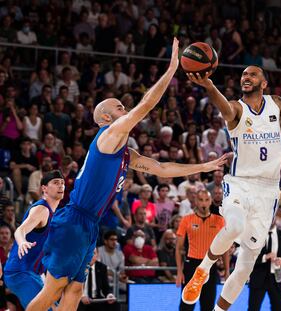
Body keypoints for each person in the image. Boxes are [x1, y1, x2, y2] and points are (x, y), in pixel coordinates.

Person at [26, 38, 227, 311]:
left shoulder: (125, 152)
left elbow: (162, 168)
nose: (125, 110)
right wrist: (170, 71)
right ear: (106, 119)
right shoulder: (108, 136)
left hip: (89, 225)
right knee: (53, 290)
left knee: (73, 290)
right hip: (74, 220)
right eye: (119, 107)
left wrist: (203, 167)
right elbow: (144, 106)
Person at [183, 65, 281, 310]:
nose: (246, 78)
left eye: (252, 75)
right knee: (234, 225)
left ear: (264, 83)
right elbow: (223, 107)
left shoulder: (276, 104)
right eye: (243, 75)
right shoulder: (237, 108)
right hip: (239, 183)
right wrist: (209, 86)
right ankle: (203, 270)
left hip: (268, 190)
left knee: (247, 263)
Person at [3, 170, 64, 309]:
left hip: (35, 273)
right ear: (44, 188)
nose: (60, 186)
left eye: (62, 183)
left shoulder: (55, 214)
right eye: (55, 183)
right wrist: (22, 241)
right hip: (20, 272)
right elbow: (20, 230)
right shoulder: (42, 209)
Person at [175, 190, 229, 311]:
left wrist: (227, 270)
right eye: (200, 200)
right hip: (191, 266)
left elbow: (225, 249)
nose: (203, 203)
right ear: (195, 201)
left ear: (210, 201)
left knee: (208, 305)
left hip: (211, 266)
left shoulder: (219, 221)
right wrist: (179, 272)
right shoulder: (186, 220)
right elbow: (178, 249)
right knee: (186, 305)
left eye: (206, 200)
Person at [248, 222, 281, 311]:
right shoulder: (255, 235)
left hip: (277, 278)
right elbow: (249, 256)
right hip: (258, 278)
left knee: (278, 308)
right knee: (253, 308)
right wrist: (265, 257)